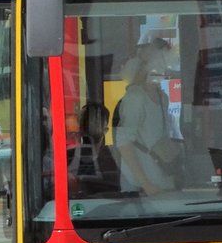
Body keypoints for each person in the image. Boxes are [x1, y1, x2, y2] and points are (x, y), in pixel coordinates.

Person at [115, 39, 179, 194]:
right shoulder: (135, 97)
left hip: (163, 181)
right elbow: (124, 143)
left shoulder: (162, 96)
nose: (165, 70)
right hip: (140, 188)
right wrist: (145, 184)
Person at [69, 102, 119, 194]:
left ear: (106, 130)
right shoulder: (67, 156)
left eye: (96, 123)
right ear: (80, 128)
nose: (91, 126)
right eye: (87, 122)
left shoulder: (115, 156)